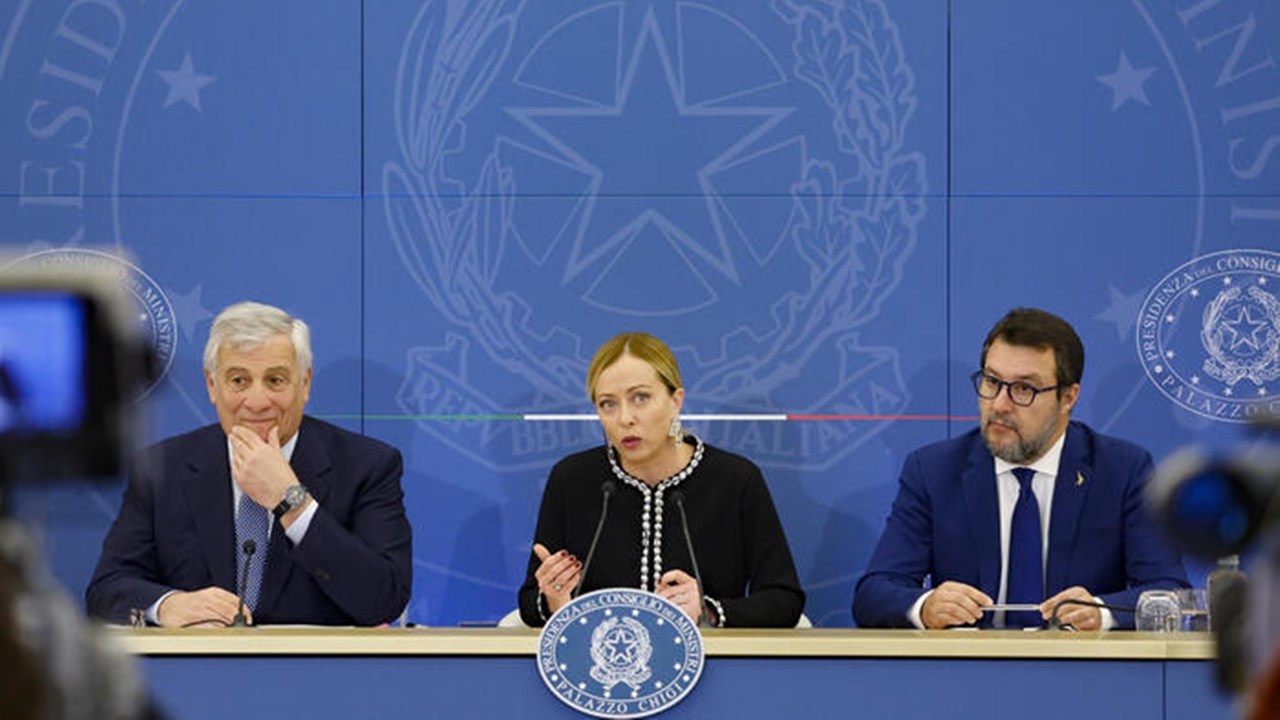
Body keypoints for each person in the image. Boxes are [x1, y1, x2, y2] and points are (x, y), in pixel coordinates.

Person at [853, 308, 1188, 630]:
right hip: (965, 673)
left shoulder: (1122, 470)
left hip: (1083, 674)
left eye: (1024, 389)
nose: (999, 404)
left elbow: (1169, 592)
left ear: (1068, 397)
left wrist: (1101, 613)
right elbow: (874, 592)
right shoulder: (934, 470)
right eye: (991, 382)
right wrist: (925, 607)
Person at [86, 301, 412, 627]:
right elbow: (106, 590)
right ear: (212, 386)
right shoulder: (162, 469)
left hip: (319, 675)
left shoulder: (367, 466)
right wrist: (168, 605)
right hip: (198, 675)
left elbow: (384, 599)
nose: (257, 402)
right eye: (239, 381)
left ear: (305, 384)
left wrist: (291, 501)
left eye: (275, 380)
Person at [517, 332, 804, 627]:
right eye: (607, 404)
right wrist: (553, 599)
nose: (625, 418)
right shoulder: (573, 479)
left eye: (640, 398)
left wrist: (708, 610)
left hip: (712, 666)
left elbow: (784, 599)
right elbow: (529, 602)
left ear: (675, 401)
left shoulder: (735, 479)